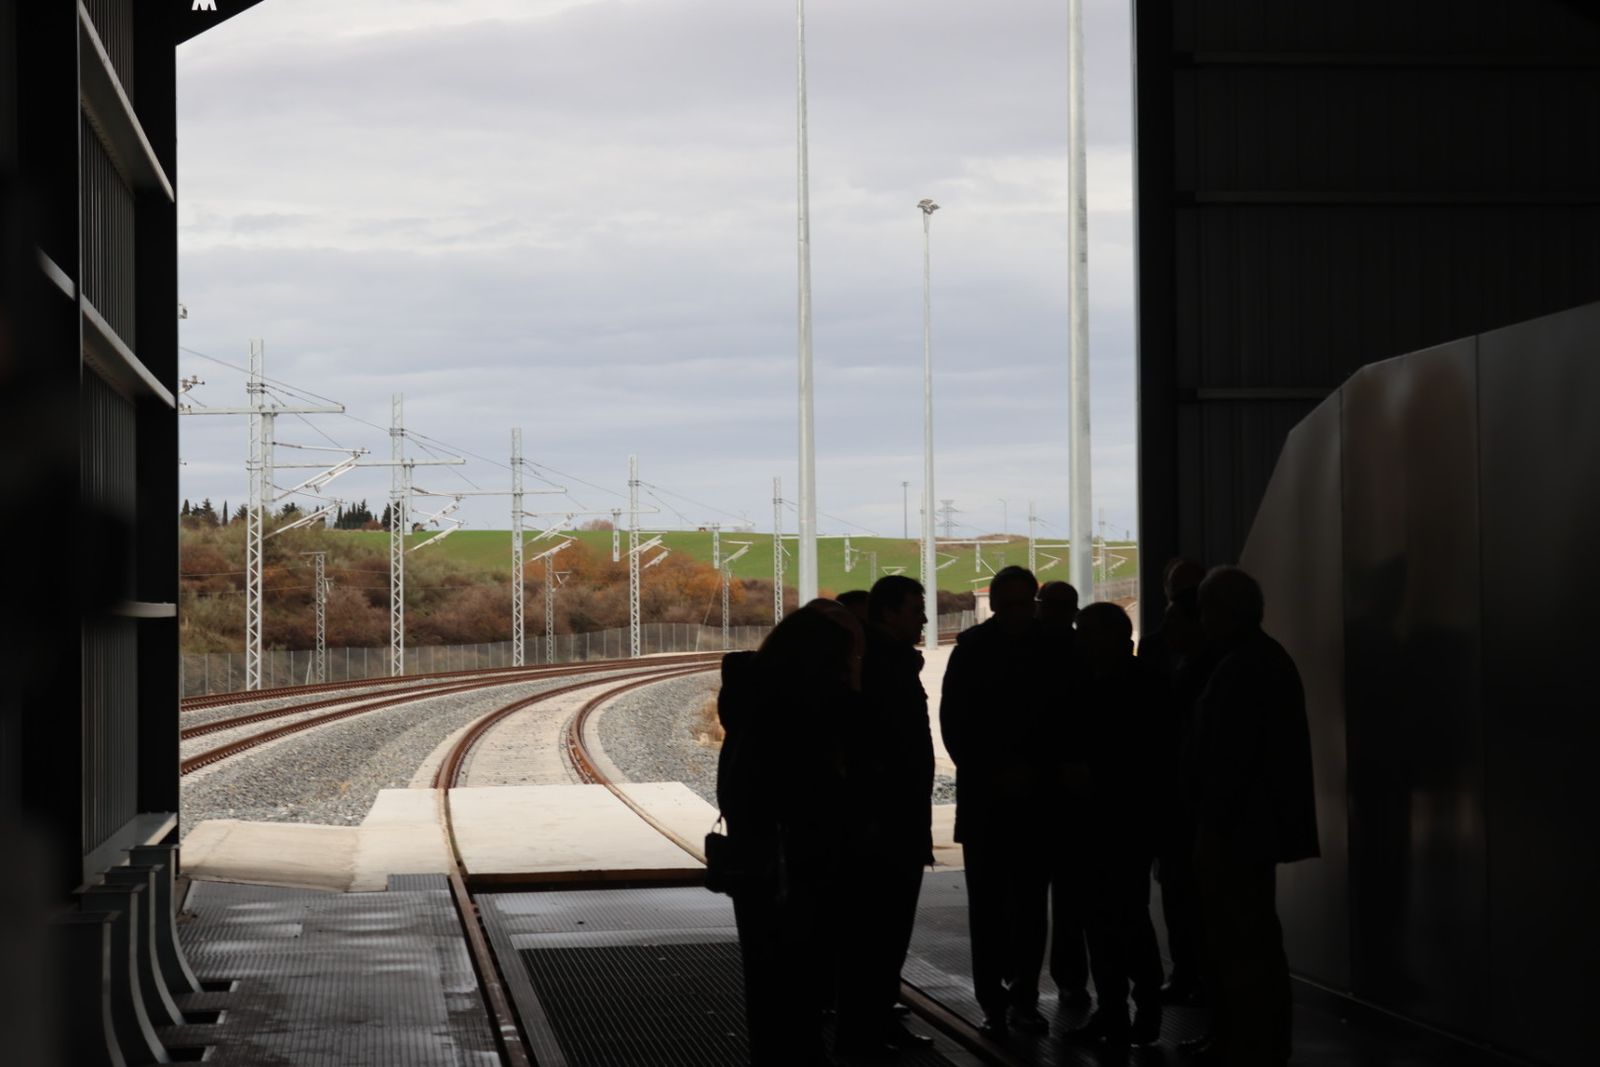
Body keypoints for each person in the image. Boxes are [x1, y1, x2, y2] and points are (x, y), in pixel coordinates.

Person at [717, 602, 862, 1066]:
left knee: (765, 973)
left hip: (755, 856)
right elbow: (841, 774)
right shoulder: (818, 708)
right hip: (803, 859)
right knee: (805, 972)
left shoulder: (749, 695)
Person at [1186, 567, 1318, 1067]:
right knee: (1253, 936)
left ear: (1221, 612)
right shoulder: (1265, 660)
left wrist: (1211, 827)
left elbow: (1228, 758)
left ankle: (1246, 1041)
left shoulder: (1239, 668)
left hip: (1237, 830)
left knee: (1238, 938)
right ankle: (1257, 1040)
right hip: (1255, 827)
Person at [939, 566, 1058, 1034]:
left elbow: (956, 726)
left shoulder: (973, 650)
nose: (1014, 613)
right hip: (1029, 796)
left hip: (990, 797)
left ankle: (1007, 999)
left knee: (1004, 906)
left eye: (1019, 605)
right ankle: (1007, 1000)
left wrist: (990, 771)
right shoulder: (1051, 648)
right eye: (1008, 605)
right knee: (1017, 905)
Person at [834, 576, 936, 1055]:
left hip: (889, 822)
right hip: (886, 825)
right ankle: (867, 1031)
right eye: (916, 609)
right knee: (880, 934)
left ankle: (870, 1026)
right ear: (889, 613)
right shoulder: (881, 665)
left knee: (876, 936)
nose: (924, 618)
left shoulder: (882, 660)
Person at [1066, 602, 1166, 1047]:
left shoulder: (1104, 685)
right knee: (1121, 917)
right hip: (1121, 820)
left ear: (1110, 638)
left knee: (1113, 919)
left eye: (1085, 632)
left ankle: (1122, 1010)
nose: (1079, 640)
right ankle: (1136, 1009)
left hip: (1114, 820)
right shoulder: (1144, 682)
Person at [1138, 558, 1209, 1004]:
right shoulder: (1156, 646)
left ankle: (1201, 975)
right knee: (1178, 889)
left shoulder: (1216, 655)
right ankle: (1186, 969)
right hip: (1172, 787)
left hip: (1195, 790)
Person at [1035, 580, 1091, 1007]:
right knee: (1072, 898)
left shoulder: (1024, 653)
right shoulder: (1086, 656)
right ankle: (1071, 979)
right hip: (1076, 793)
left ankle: (1020, 983)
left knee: (1026, 896)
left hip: (1032, 790)